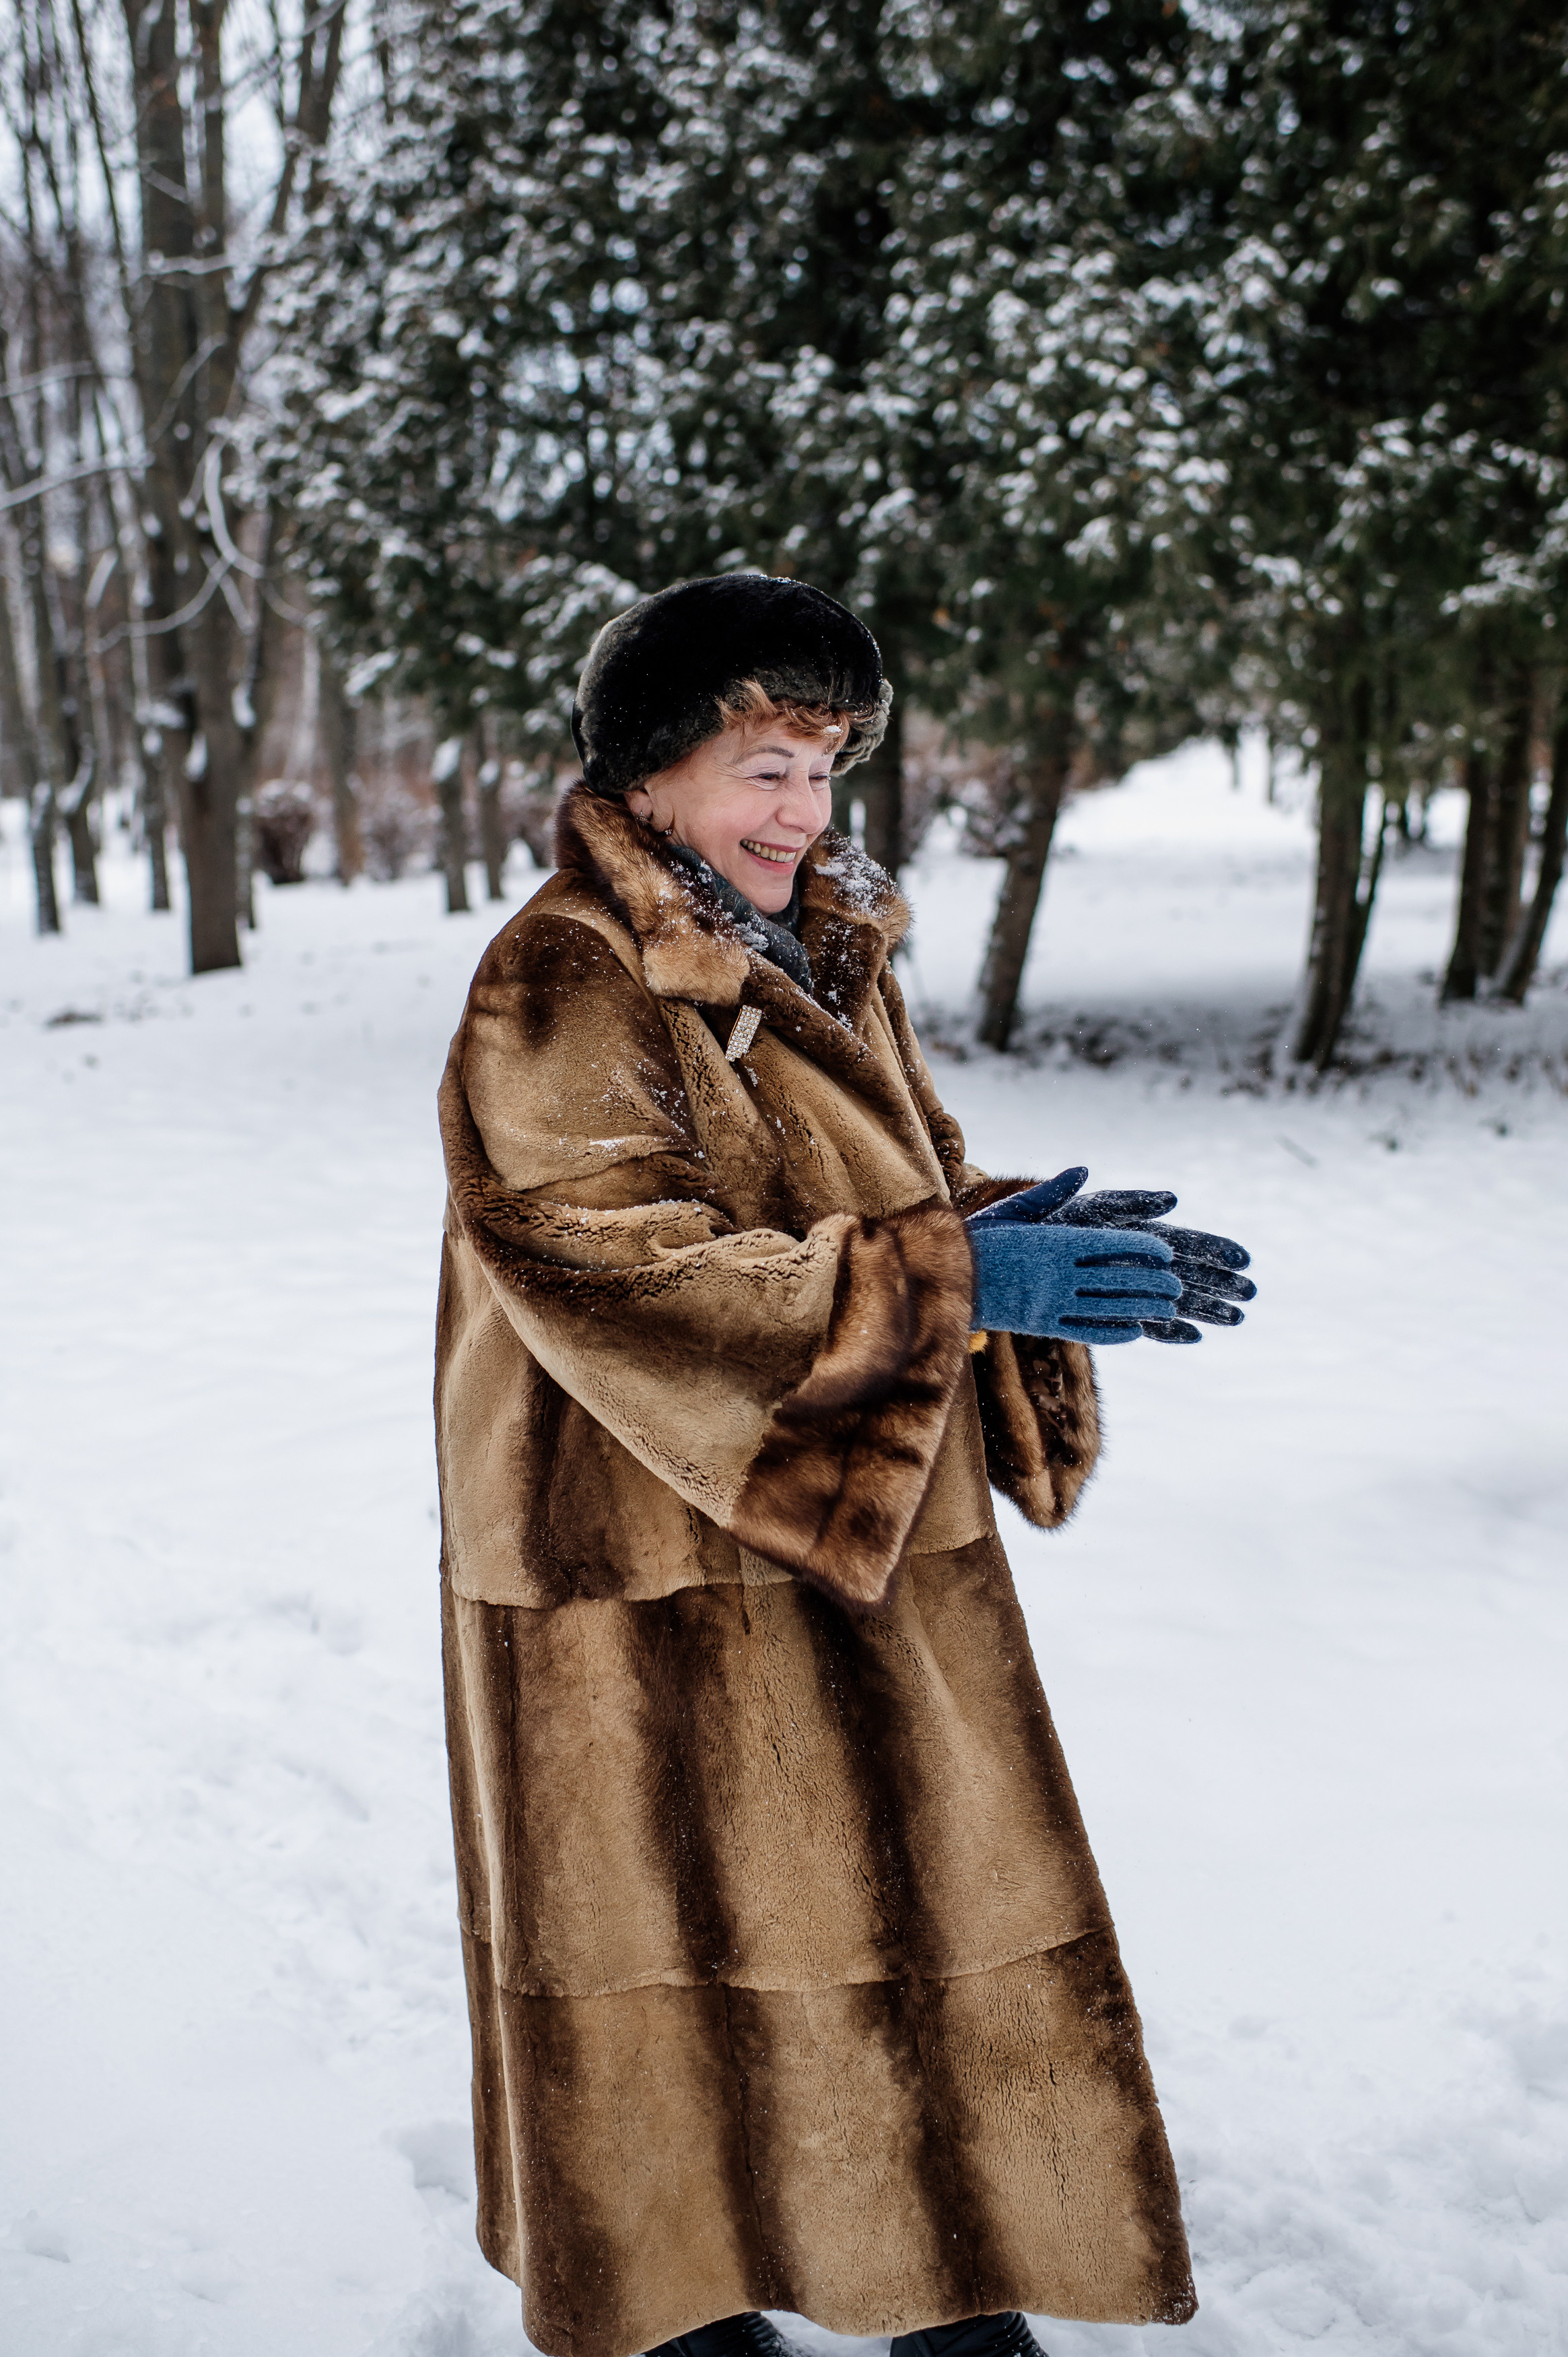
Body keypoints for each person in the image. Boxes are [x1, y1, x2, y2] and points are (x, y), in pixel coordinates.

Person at [435, 574, 1255, 2357]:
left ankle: (944, 2282)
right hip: (633, 1556)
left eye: (822, 763)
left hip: (836, 1513)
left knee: (903, 1900)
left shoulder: (822, 943)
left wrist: (994, 1236)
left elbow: (858, 1208)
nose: (803, 808)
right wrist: (952, 1282)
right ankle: (680, 2302)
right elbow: (603, 1259)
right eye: (761, 764)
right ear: (650, 772)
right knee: (674, 1948)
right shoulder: (566, 967)